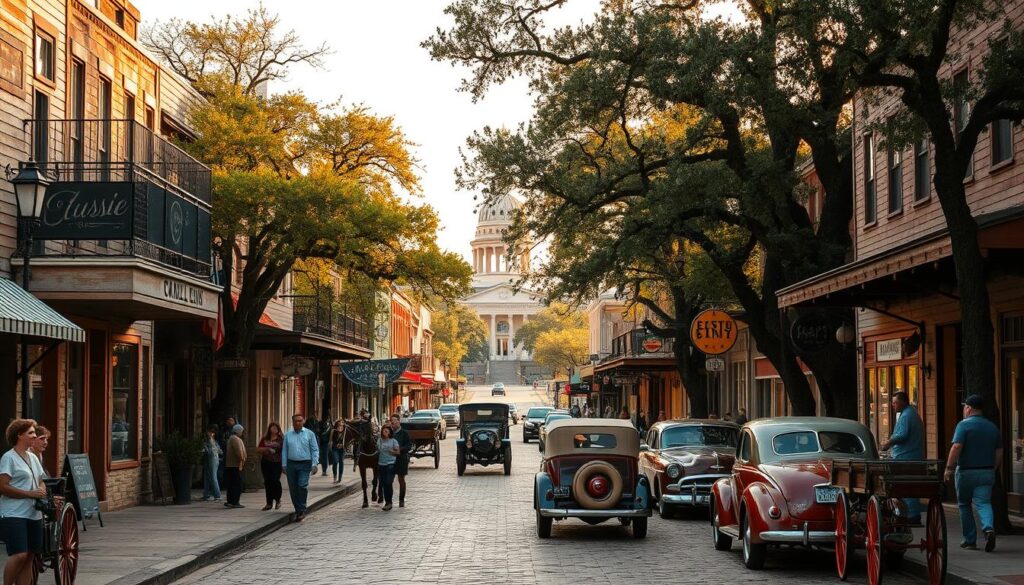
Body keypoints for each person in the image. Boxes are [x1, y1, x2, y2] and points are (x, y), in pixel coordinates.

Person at [944, 394, 1002, 552]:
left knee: (964, 505)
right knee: (984, 503)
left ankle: (970, 540)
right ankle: (988, 528)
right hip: (986, 471)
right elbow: (999, 451)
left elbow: (956, 447)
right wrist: (993, 468)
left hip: (966, 473)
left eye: (965, 407)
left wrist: (949, 468)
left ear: (968, 408)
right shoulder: (992, 427)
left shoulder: (963, 426)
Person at [0, 419, 47, 585]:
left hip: (33, 514)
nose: (35, 436)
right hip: (13, 513)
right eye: (31, 433)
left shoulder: (33, 457)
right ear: (20, 435)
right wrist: (29, 493)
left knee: (29, 556)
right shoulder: (9, 458)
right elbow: (3, 487)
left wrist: (41, 489)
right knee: (19, 554)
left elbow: (41, 479)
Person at [880, 391, 924, 522]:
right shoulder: (910, 414)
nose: (893, 405)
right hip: (911, 456)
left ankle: (905, 512)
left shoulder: (906, 416)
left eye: (895, 402)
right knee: (910, 487)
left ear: (903, 402)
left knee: (899, 485)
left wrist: (888, 443)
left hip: (904, 458)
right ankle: (911, 512)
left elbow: (902, 435)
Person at [281, 414, 320, 521]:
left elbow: (315, 449)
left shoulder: (309, 434)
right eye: (295, 421)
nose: (297, 423)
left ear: (303, 422)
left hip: (305, 464)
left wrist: (315, 464)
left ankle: (302, 508)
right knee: (293, 488)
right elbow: (284, 451)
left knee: (302, 485)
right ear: (292, 422)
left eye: (300, 421)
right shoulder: (288, 435)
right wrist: (284, 465)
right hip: (291, 464)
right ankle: (298, 510)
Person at [257, 423, 284, 511]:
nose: (274, 429)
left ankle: (278, 500)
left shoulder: (281, 439)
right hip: (266, 462)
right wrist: (266, 449)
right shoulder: (265, 439)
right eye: (272, 427)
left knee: (275, 480)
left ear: (278, 429)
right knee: (267, 482)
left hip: (277, 462)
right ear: (269, 429)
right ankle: (269, 503)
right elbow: (258, 449)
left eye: (276, 427)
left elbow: (284, 450)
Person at [376, 425, 400, 511]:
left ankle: (389, 502)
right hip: (381, 464)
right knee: (383, 483)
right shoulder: (379, 440)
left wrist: (392, 451)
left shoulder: (393, 441)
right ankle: (387, 502)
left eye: (386, 431)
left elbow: (398, 452)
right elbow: (376, 450)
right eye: (383, 431)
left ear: (390, 432)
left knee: (388, 482)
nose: (385, 432)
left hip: (390, 464)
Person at [390, 415, 412, 507]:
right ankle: (389, 500)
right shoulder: (389, 433)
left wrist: (400, 450)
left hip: (401, 459)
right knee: (389, 480)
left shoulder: (404, 433)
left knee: (401, 479)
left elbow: (409, 446)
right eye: (392, 422)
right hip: (390, 459)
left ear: (399, 422)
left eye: (394, 421)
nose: (393, 424)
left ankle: (401, 500)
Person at [224, 424, 246, 509]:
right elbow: (239, 452)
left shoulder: (232, 438)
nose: (243, 432)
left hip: (232, 465)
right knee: (237, 484)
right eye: (242, 431)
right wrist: (242, 459)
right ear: (238, 431)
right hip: (235, 465)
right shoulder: (235, 439)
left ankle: (230, 501)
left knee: (232, 484)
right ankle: (235, 501)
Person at [201, 425, 222, 502]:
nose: (208, 433)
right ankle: (206, 494)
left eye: (210, 432)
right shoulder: (209, 440)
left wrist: (204, 450)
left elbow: (216, 450)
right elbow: (219, 450)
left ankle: (217, 495)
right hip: (209, 458)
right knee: (207, 476)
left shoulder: (211, 440)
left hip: (212, 459)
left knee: (213, 477)